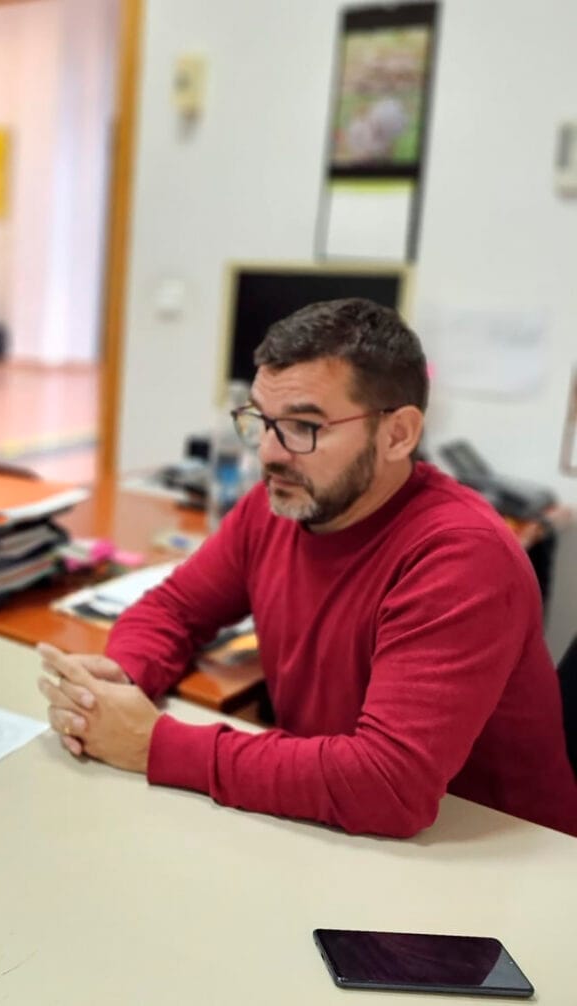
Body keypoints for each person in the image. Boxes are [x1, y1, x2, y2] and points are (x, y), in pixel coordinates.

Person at [38, 298, 577, 839]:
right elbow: (176, 608)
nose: (270, 454)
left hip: (493, 857)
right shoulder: (280, 504)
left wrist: (154, 745)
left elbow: (388, 786)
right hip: (338, 824)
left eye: (303, 426)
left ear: (398, 434)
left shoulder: (461, 557)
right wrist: (120, 679)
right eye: (262, 421)